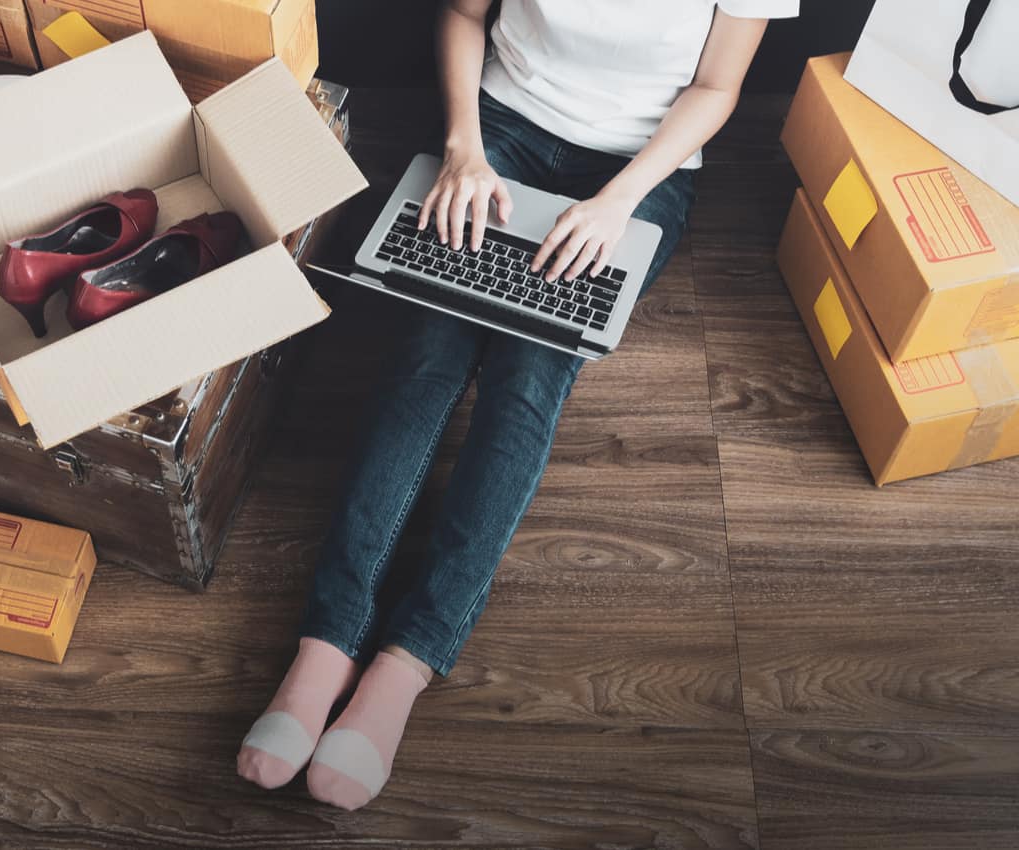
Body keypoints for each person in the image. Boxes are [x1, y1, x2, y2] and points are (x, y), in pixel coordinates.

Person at [238, 0, 799, 811]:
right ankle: (326, 643)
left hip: (640, 168)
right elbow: (465, 15)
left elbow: (716, 87)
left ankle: (408, 661)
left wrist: (618, 202)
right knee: (423, 360)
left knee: (527, 385)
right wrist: (464, 147)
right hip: (500, 126)